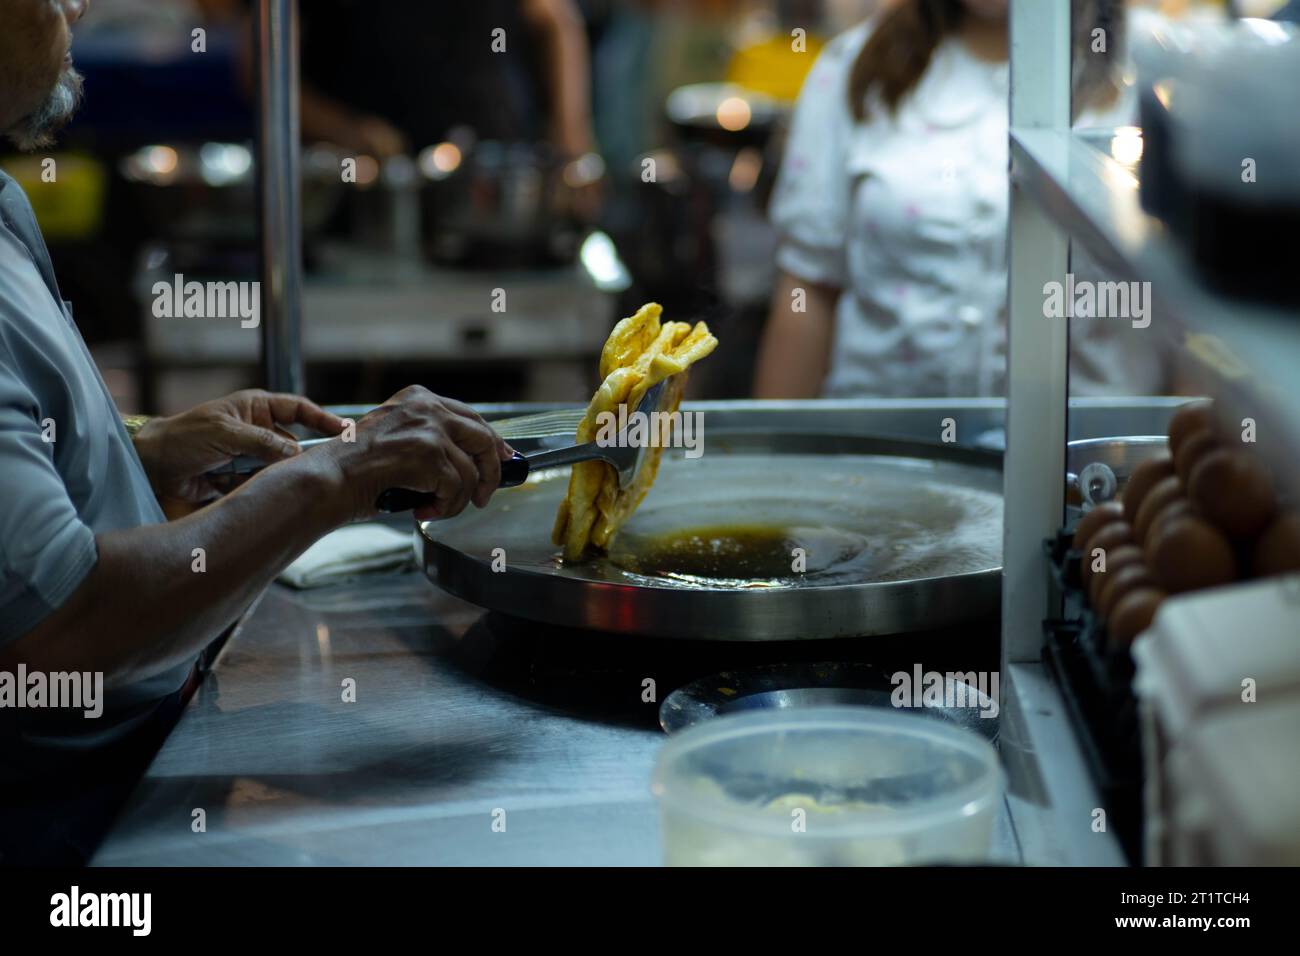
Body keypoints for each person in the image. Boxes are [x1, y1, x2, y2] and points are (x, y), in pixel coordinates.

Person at [0, 0, 514, 863]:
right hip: (69, 827)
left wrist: (134, 448)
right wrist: (332, 478)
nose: (78, 6)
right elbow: (62, 628)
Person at [754, 0, 1168, 399]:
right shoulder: (856, 64)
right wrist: (768, 456)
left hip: (1097, 455)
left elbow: (1200, 314)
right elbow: (809, 285)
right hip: (883, 447)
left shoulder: (1161, 66)